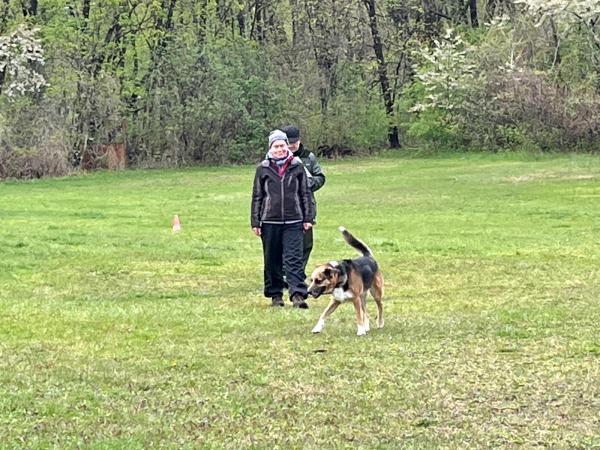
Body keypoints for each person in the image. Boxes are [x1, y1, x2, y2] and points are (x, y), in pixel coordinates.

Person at [251, 129, 314, 308]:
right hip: (269, 221)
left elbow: (305, 193)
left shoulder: (297, 166)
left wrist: (307, 218)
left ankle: (297, 295)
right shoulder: (263, 168)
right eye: (276, 146)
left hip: (294, 220)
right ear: (270, 148)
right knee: (272, 260)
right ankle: (275, 295)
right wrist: (255, 221)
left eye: (282, 145)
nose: (279, 149)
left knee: (294, 259)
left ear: (287, 146)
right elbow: (257, 196)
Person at [281, 125, 326, 273]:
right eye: (288, 143)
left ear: (299, 140)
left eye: (294, 142)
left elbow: (320, 178)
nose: (291, 146)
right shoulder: (278, 157)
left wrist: (309, 183)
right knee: (285, 244)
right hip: (285, 208)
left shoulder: (308, 157)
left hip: (306, 208)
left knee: (306, 244)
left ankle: (298, 273)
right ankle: (285, 274)